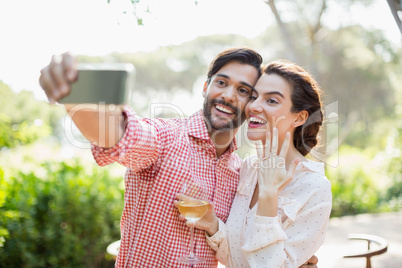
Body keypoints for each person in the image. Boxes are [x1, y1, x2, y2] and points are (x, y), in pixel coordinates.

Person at [39, 48, 319, 267]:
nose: (228, 95)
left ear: (250, 105)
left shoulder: (239, 172)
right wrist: (74, 98)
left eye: (244, 91)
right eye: (221, 82)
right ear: (205, 87)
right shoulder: (166, 139)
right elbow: (120, 133)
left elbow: (240, 249)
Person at [177, 60, 332, 267]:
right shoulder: (248, 168)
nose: (254, 106)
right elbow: (236, 260)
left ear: (300, 117)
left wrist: (268, 196)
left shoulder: (314, 187)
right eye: (254, 97)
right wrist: (214, 226)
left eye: (272, 101)